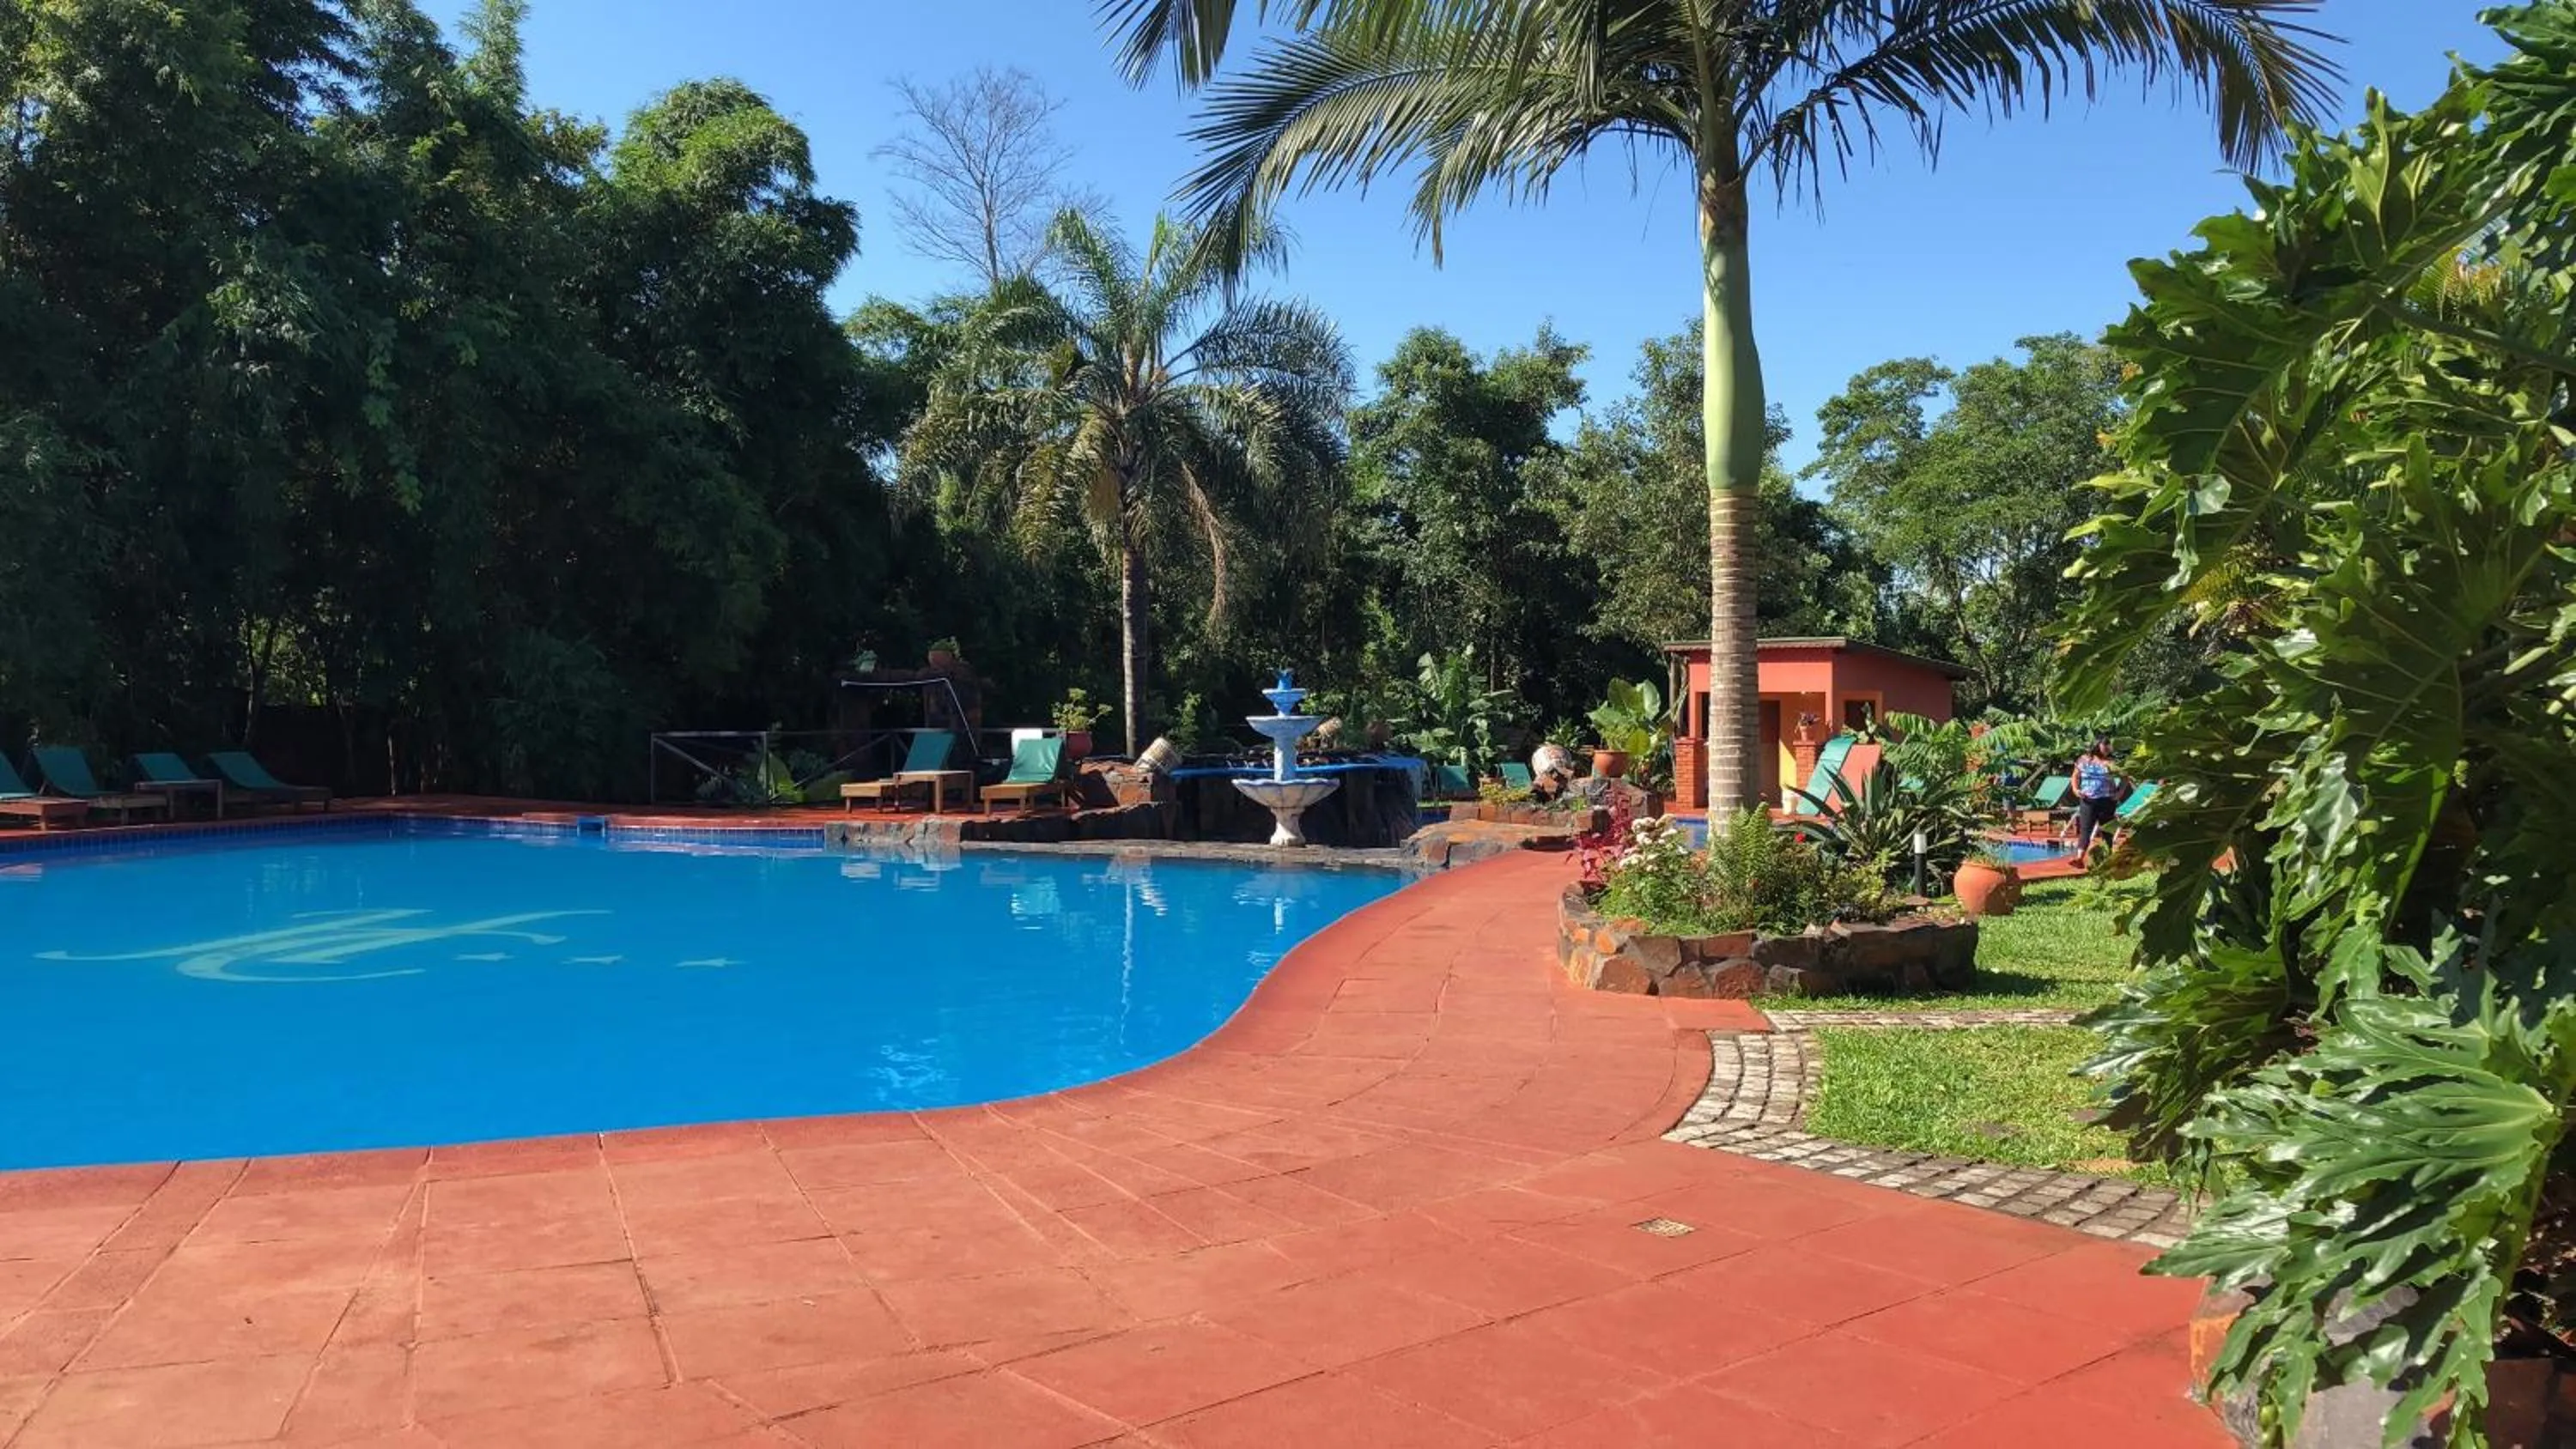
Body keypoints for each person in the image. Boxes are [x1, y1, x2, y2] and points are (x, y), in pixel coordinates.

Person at [2072, 737, 2123, 854]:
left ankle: (2108, 856)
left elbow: (2125, 778)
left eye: (2108, 745)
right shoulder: (2083, 760)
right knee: (2086, 830)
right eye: (2104, 744)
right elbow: (2075, 775)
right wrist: (2076, 789)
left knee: (2106, 830)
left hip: (2107, 800)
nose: (2107, 747)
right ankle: (2079, 858)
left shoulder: (2112, 762)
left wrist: (2119, 793)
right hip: (2087, 800)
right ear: (2096, 745)